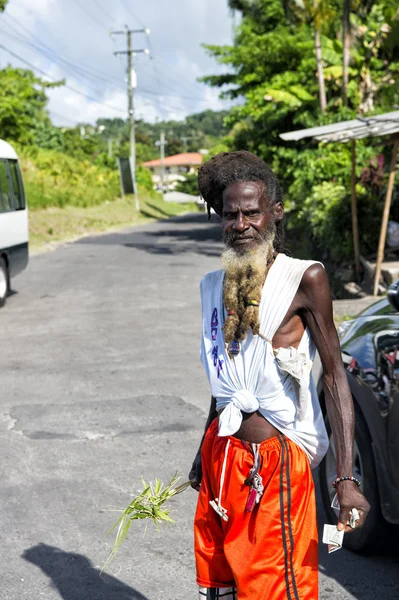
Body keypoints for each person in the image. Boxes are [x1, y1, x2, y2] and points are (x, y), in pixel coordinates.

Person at [189, 151, 370, 600]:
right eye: (230, 214)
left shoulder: (303, 278)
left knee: (274, 587)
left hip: (276, 466)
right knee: (221, 580)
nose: (241, 224)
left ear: (274, 214)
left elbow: (334, 379)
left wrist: (346, 478)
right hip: (223, 457)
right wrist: (201, 454)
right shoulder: (214, 285)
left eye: (251, 212)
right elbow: (225, 381)